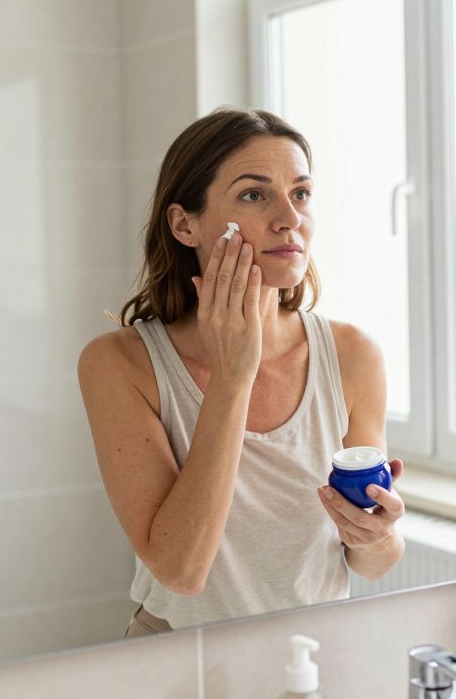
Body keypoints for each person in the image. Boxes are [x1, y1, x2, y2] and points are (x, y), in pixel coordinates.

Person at [78, 108, 404, 636]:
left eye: (300, 193)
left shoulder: (353, 354)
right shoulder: (120, 364)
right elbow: (181, 571)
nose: (289, 218)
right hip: (179, 662)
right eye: (255, 195)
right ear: (185, 224)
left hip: (316, 658)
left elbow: (370, 561)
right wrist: (233, 375)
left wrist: (378, 536)